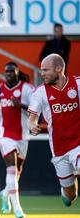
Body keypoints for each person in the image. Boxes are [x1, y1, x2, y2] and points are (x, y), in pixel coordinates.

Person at [28, 54, 79, 207]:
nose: (42, 73)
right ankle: (66, 192)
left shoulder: (77, 84)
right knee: (71, 195)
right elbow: (32, 118)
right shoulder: (40, 92)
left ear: (58, 68)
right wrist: (32, 126)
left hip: (78, 143)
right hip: (59, 149)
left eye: (45, 70)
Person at [0, 62, 34, 218]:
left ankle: (5, 193)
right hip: (5, 134)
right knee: (11, 169)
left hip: (23, 134)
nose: (8, 73)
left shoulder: (27, 89)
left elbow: (36, 108)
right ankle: (17, 209)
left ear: (17, 72)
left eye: (11, 71)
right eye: (6, 71)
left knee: (18, 171)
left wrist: (21, 105)